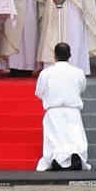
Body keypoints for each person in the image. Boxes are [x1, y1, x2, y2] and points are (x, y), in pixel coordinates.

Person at [35, 42, 90, 171]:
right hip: (72, 110)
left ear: (54, 56)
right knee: (74, 137)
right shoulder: (78, 72)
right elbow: (81, 87)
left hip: (54, 110)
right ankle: (73, 158)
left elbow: (39, 92)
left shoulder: (46, 73)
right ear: (70, 55)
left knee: (55, 139)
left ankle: (57, 160)